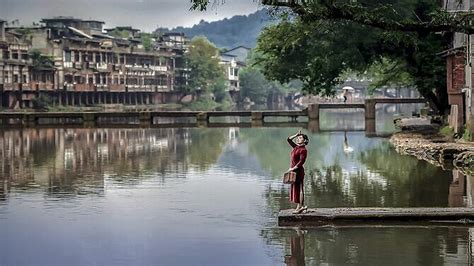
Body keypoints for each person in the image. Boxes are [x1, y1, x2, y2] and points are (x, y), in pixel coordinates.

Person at [287, 130, 309, 214]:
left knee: (300, 188)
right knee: (295, 189)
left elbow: (301, 162)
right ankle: (301, 206)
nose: (298, 139)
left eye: (300, 138)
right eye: (298, 138)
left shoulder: (303, 150)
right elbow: (288, 140)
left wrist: (292, 169)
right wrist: (296, 135)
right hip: (294, 171)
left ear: (304, 140)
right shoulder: (296, 147)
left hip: (298, 171)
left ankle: (300, 207)